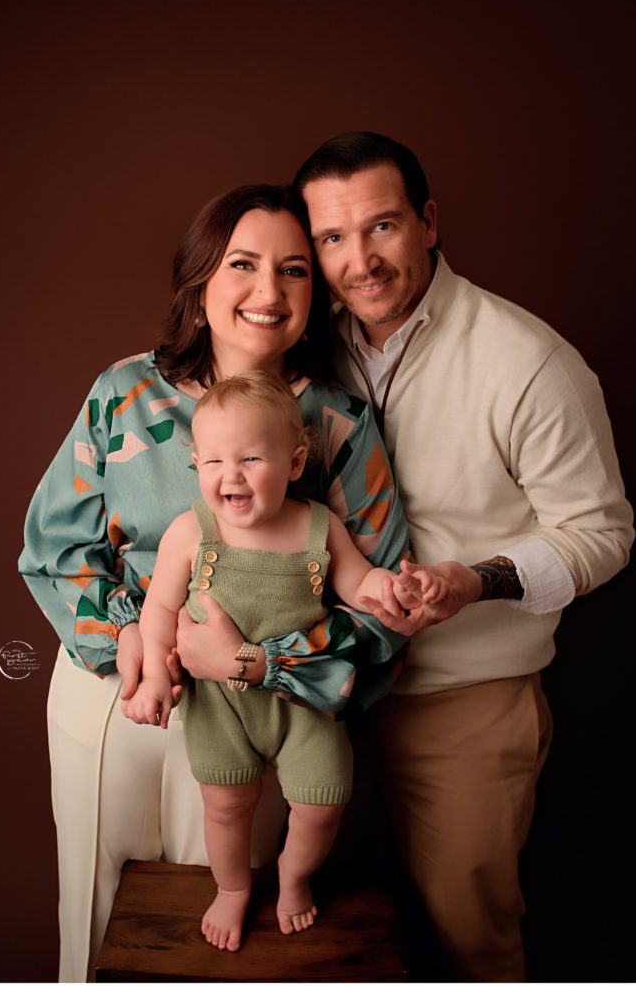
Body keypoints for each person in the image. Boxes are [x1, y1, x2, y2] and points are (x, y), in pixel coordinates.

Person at [18, 184, 412, 982]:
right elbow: (55, 547)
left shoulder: (336, 421)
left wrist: (251, 663)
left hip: (269, 710)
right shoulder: (123, 393)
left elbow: (379, 609)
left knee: (218, 927)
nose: (268, 292)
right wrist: (136, 637)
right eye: (243, 264)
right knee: (93, 921)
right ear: (201, 282)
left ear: (316, 294)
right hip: (118, 691)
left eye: (295, 271)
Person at [292, 131, 635, 982]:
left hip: (459, 705)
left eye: (382, 227)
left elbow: (601, 533)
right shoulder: (305, 349)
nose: (360, 261)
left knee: (465, 944)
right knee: (321, 943)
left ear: (429, 221)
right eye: (332, 238)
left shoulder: (530, 361)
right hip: (312, 694)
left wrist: (471, 581)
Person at [124, 371, 439, 950]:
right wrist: (149, 678)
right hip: (219, 704)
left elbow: (358, 582)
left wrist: (391, 590)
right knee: (225, 806)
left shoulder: (320, 526)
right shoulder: (191, 532)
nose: (231, 475)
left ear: (295, 464)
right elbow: (159, 610)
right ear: (195, 464)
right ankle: (233, 889)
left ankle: (294, 877)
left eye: (250, 458)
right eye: (213, 461)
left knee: (322, 804)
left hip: (303, 699)